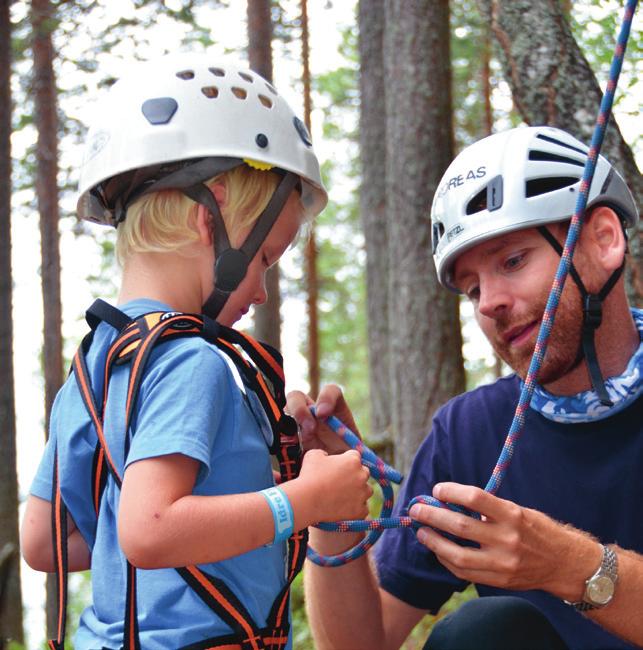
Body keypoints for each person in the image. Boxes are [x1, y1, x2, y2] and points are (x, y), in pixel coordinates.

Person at [20, 53, 372, 650]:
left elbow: (46, 541)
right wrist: (304, 500)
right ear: (209, 220)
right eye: (264, 258)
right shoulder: (193, 362)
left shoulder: (92, 366)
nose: (261, 290)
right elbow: (150, 532)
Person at [287, 126, 643, 650]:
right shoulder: (471, 432)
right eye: (472, 288)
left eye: (513, 261)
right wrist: (331, 505)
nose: (488, 303)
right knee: (481, 634)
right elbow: (362, 643)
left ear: (603, 239)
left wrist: (568, 563)